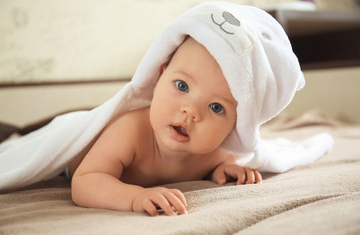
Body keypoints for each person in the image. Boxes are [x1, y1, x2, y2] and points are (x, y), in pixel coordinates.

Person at [70, 37, 262, 216]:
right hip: (77, 154)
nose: (191, 111)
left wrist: (220, 171)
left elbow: (216, 166)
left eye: (216, 107)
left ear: (236, 124)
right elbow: (84, 182)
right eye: (182, 86)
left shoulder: (215, 154)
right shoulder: (130, 130)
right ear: (159, 78)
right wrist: (134, 197)